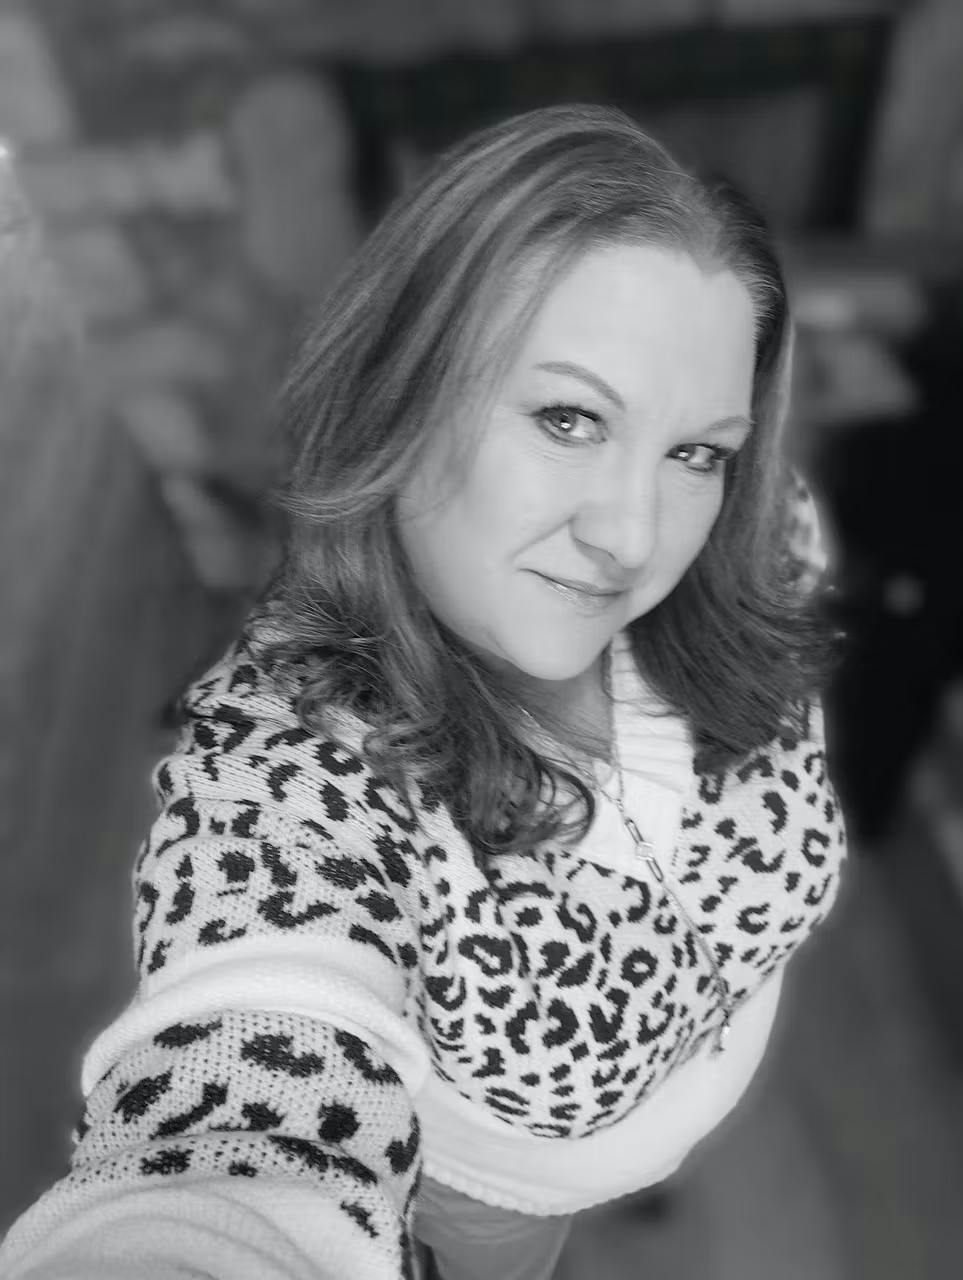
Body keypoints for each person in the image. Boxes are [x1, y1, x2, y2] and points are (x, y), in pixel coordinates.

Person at [0, 104, 846, 1280]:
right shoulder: (293, 773)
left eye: (696, 451)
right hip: (492, 1211)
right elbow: (244, 1107)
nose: (634, 535)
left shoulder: (765, 536)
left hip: (669, 1123)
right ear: (399, 388)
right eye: (567, 418)